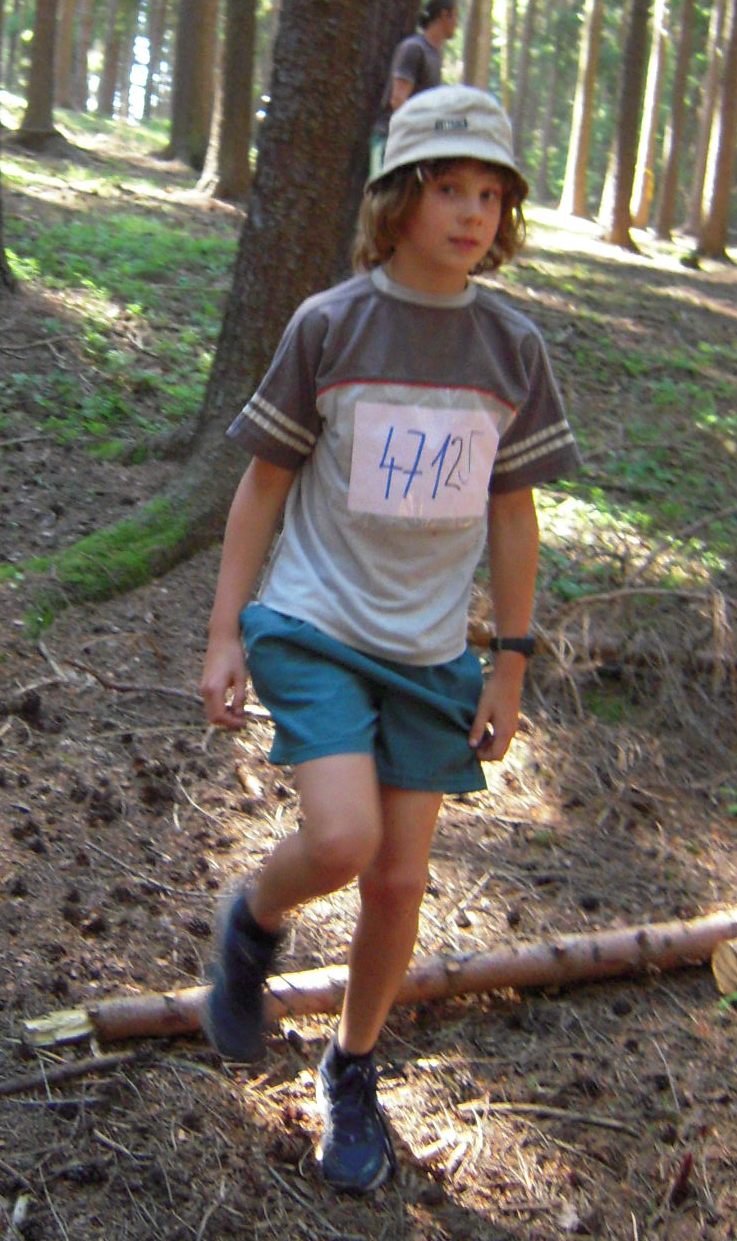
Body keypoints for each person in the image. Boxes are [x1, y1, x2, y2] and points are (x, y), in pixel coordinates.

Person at [200, 84, 581, 1196]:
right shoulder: (329, 324)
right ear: (397, 198)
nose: (470, 212)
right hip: (314, 621)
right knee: (342, 837)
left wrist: (509, 660)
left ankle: (352, 1066)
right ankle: (251, 920)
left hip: (429, 653)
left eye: (488, 195)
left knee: (401, 877)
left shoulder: (511, 345)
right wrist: (224, 632)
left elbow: (513, 513)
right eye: (447, 188)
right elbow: (261, 486)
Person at [370, 1, 458, 179]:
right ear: (444, 15)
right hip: (390, 141)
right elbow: (398, 101)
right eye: (456, 16)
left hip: (414, 145)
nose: (457, 23)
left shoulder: (435, 55)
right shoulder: (414, 49)